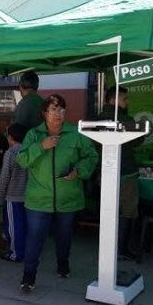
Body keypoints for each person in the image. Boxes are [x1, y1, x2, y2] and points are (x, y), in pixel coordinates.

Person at [17, 94, 98, 291]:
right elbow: (22, 160)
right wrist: (41, 147)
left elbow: (92, 155)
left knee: (64, 236)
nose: (58, 114)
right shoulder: (34, 135)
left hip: (67, 197)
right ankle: (29, 276)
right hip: (38, 198)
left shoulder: (75, 134)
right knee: (34, 237)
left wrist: (78, 171)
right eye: (54, 110)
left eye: (62, 109)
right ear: (44, 113)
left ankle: (63, 264)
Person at [96, 85, 141, 260]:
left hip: (104, 172)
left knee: (108, 211)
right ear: (114, 100)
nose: (127, 102)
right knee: (126, 211)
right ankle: (121, 249)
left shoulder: (97, 119)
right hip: (125, 172)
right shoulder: (126, 119)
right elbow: (138, 141)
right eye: (124, 99)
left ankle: (109, 249)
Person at [0, 123, 28, 262]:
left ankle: (15, 253)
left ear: (10, 137)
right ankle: (27, 251)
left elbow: (4, 177)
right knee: (25, 225)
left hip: (13, 196)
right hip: (29, 196)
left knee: (13, 227)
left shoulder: (11, 152)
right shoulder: (30, 150)